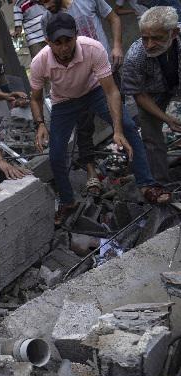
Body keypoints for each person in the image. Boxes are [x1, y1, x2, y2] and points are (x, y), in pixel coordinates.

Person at [29, 13, 170, 225]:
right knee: (56, 154)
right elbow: (36, 98)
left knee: (129, 127)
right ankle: (68, 201)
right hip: (63, 102)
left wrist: (118, 129)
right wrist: (40, 124)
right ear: (48, 42)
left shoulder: (92, 48)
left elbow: (112, 91)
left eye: (68, 40)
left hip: (94, 91)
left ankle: (146, 184)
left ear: (76, 36)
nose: (64, 47)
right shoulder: (39, 62)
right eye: (57, 43)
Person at [41, 0, 126, 196]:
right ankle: (91, 172)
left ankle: (125, 161)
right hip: (77, 81)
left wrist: (117, 45)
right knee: (84, 125)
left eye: (45, 0)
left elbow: (114, 18)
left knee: (119, 117)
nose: (45, 6)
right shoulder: (47, 19)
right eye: (39, 2)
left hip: (104, 68)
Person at [122, 6, 181, 184]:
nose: (149, 45)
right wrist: (167, 119)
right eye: (145, 38)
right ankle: (160, 183)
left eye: (157, 38)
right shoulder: (135, 56)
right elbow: (138, 94)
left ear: (174, 33)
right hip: (151, 92)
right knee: (151, 136)